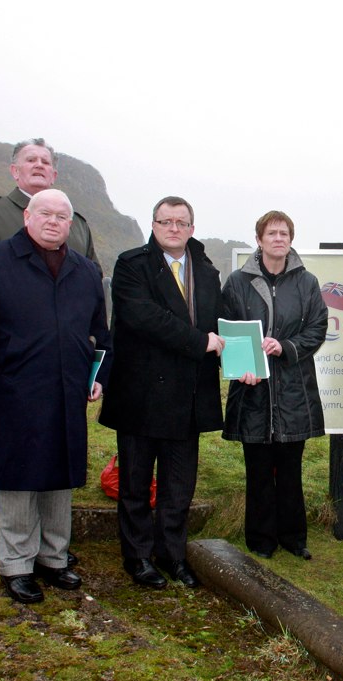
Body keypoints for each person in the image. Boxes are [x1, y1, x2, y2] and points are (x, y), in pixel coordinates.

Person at [0, 189, 111, 604]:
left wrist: (99, 376)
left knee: (61, 476)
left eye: (62, 216)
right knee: (17, 477)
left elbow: (101, 333)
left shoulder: (86, 271)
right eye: (45, 213)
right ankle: (17, 564)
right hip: (11, 391)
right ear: (27, 217)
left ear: (70, 225)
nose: (53, 221)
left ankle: (53, 557)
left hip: (67, 390)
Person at [99, 196, 224, 589]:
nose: (173, 228)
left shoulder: (206, 270)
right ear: (153, 225)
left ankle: (172, 555)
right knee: (135, 482)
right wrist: (199, 342)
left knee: (179, 485)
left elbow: (220, 322)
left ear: (191, 227)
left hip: (188, 395)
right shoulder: (131, 264)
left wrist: (241, 355)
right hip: (140, 392)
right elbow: (143, 318)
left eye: (181, 222)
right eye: (165, 221)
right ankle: (136, 558)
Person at [221, 210, 328, 561]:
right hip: (252, 390)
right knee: (258, 468)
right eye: (272, 233)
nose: (278, 238)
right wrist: (241, 366)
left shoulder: (307, 282)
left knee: (291, 468)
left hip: (294, 388)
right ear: (259, 239)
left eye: (284, 233)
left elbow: (317, 328)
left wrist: (286, 347)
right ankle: (260, 539)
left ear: (291, 240)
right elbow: (228, 330)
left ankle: (294, 538)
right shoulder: (237, 282)